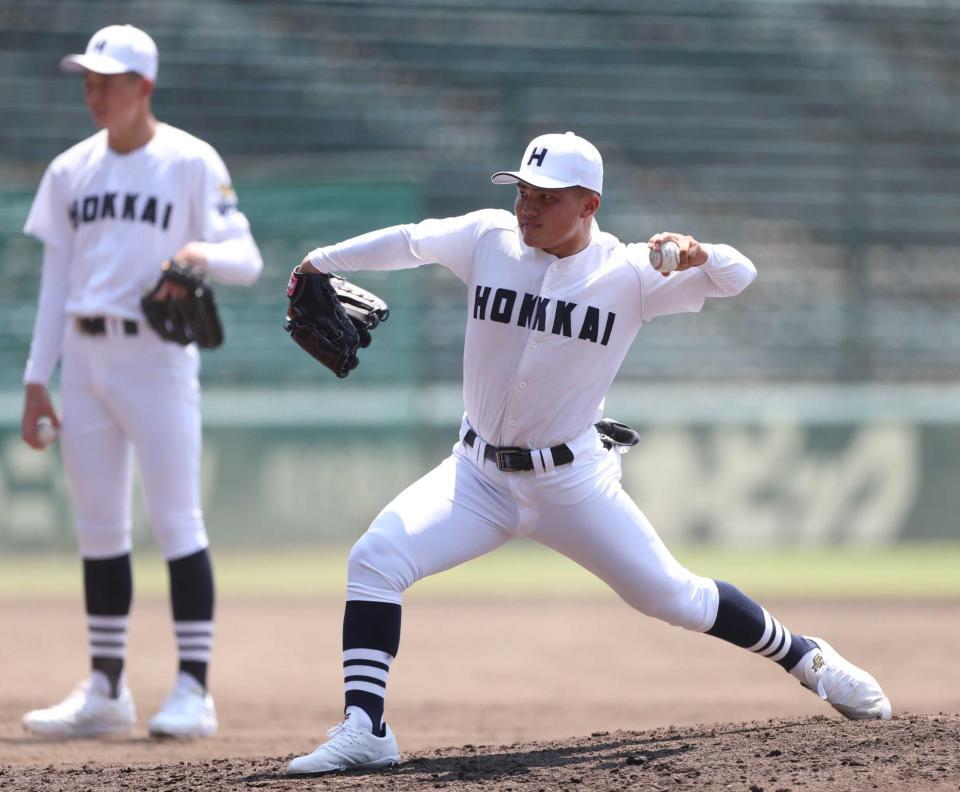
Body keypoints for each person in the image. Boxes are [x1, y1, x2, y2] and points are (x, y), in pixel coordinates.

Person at [284, 132, 890, 775]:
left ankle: (806, 657)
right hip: (476, 475)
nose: (526, 207)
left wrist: (695, 251)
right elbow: (408, 240)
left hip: (572, 485)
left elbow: (739, 276)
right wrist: (314, 263)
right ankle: (366, 727)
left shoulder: (629, 272)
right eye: (521, 190)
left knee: (673, 597)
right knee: (376, 558)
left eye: (545, 197)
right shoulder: (488, 238)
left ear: (588, 204)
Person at [19, 25, 262, 739]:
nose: (94, 93)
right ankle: (107, 687)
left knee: (176, 519)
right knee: (98, 527)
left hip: (155, 358)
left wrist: (201, 252)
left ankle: (194, 688)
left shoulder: (189, 161)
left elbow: (245, 256)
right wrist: (38, 378)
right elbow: (55, 282)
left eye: (109, 81)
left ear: (144, 88)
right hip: (86, 359)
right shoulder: (70, 170)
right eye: (88, 80)